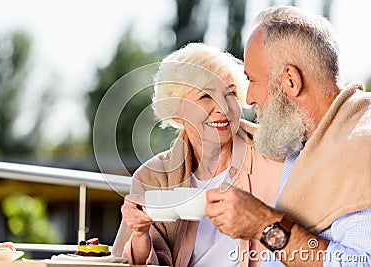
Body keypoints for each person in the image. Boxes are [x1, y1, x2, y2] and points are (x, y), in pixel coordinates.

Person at [206, 6, 371, 266]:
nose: (249, 98)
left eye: (253, 80)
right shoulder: (303, 141)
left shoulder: (362, 146)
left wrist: (263, 224)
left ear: (291, 81)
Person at [112, 43, 283, 266]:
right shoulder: (152, 178)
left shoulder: (275, 156)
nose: (223, 108)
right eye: (205, 96)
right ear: (176, 114)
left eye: (230, 92)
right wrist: (140, 234)